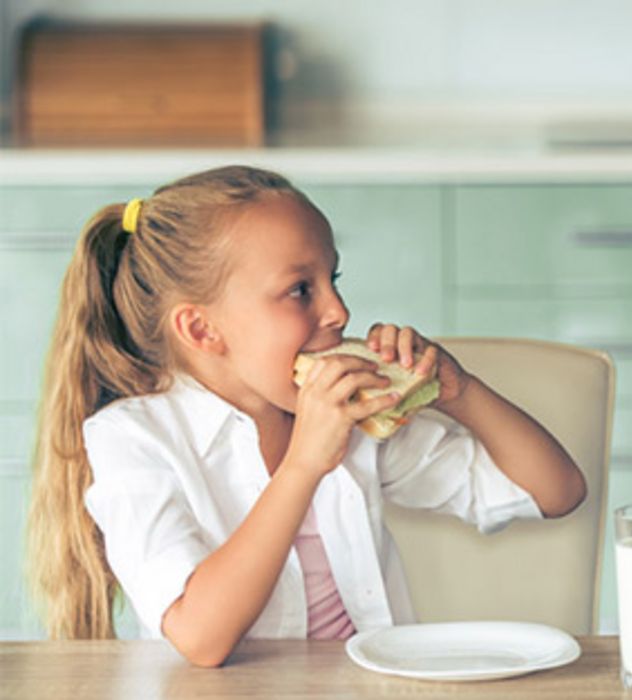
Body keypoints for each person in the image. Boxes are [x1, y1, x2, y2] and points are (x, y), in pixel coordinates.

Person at [27, 165, 587, 666]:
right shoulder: (134, 441)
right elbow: (200, 637)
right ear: (202, 330)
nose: (339, 311)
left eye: (332, 280)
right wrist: (303, 466)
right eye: (300, 290)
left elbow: (556, 491)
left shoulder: (355, 417)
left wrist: (460, 391)